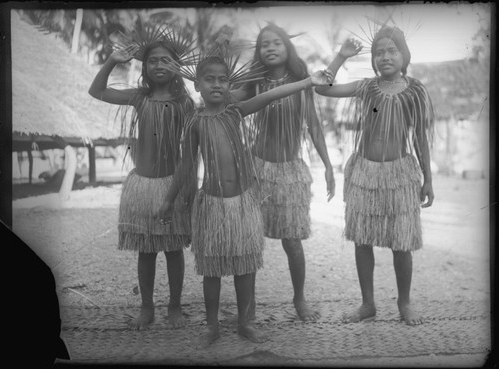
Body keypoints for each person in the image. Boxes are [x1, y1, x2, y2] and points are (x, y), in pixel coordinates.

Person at [157, 54, 329, 347]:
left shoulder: (235, 112)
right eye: (209, 79)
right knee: (211, 268)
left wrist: (308, 81)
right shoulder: (196, 122)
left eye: (223, 80)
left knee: (245, 266)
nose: (216, 85)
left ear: (229, 85)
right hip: (211, 203)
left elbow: (273, 93)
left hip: (242, 203)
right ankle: (212, 325)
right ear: (197, 84)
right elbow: (186, 165)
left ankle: (245, 322)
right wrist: (169, 200)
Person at [315, 26, 435, 325]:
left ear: (404, 55)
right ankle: (367, 303)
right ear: (373, 59)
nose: (385, 57)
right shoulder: (366, 87)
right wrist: (341, 56)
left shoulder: (414, 90)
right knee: (362, 239)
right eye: (379, 52)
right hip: (365, 173)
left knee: (401, 241)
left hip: (399, 174)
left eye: (392, 51)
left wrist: (428, 179)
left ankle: (404, 302)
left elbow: (420, 136)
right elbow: (322, 88)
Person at [88, 31, 196, 330]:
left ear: (176, 66)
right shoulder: (139, 98)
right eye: (152, 61)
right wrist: (113, 60)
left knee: (174, 249)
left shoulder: (185, 103)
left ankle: (174, 306)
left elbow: (190, 153)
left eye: (166, 60)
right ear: (145, 67)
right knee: (145, 250)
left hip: (170, 185)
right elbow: (97, 91)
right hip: (142, 186)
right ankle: (146, 307)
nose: (158, 64)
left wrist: (182, 192)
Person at [232, 23, 335, 322]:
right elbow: (232, 99)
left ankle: (299, 299)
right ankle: (247, 309)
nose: (271, 47)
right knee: (251, 240)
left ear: (288, 48)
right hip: (257, 169)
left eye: (277, 42)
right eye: (265, 44)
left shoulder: (304, 81)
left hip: (291, 172)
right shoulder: (255, 81)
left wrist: (328, 165)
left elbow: (314, 125)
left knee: (293, 241)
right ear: (258, 51)